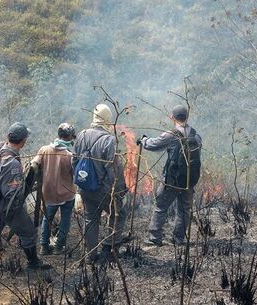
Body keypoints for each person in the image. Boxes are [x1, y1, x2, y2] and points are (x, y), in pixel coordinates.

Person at [0, 122, 51, 271]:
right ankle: (33, 263)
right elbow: (11, 193)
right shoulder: (12, 163)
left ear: (8, 136)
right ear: (24, 140)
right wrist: (18, 211)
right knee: (29, 232)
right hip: (6, 204)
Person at [138, 105, 202, 247]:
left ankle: (155, 238)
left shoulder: (171, 135)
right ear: (187, 117)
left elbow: (152, 145)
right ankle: (178, 239)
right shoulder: (196, 137)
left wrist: (143, 140)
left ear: (172, 117)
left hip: (171, 181)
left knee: (161, 207)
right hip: (189, 181)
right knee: (185, 210)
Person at [74, 104, 128, 264]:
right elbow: (114, 170)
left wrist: (79, 186)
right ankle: (109, 249)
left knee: (90, 219)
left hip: (85, 188)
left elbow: (74, 162)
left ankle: (90, 255)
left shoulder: (81, 135)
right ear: (107, 120)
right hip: (104, 191)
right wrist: (120, 192)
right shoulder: (109, 140)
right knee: (119, 214)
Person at [31, 123, 76, 256]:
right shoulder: (69, 155)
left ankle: (44, 247)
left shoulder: (44, 150)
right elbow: (74, 174)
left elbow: (34, 165)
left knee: (47, 218)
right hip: (67, 194)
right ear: (70, 137)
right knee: (66, 219)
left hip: (48, 194)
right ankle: (58, 247)